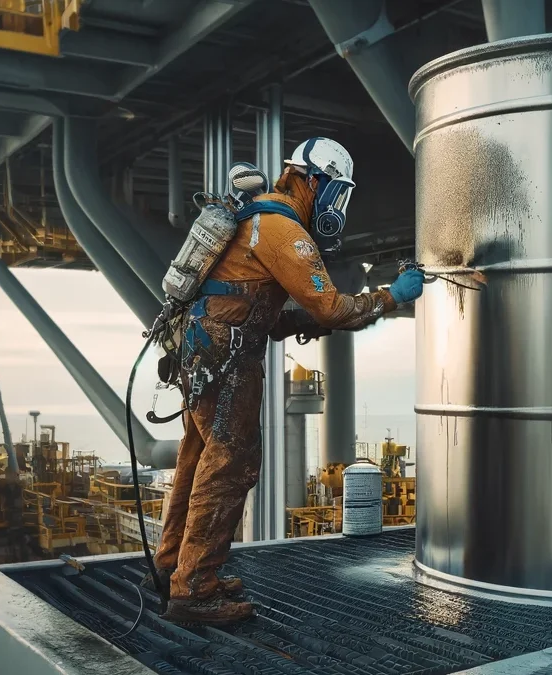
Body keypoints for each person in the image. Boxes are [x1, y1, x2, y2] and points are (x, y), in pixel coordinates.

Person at [144, 137, 424, 625]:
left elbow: (255, 307)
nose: (336, 206)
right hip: (226, 357)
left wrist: (304, 321)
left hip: (200, 348)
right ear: (314, 182)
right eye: (335, 191)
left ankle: (174, 568)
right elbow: (335, 305)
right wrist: (390, 297)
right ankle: (195, 591)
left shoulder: (255, 217)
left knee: (197, 458)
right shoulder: (282, 229)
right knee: (231, 463)